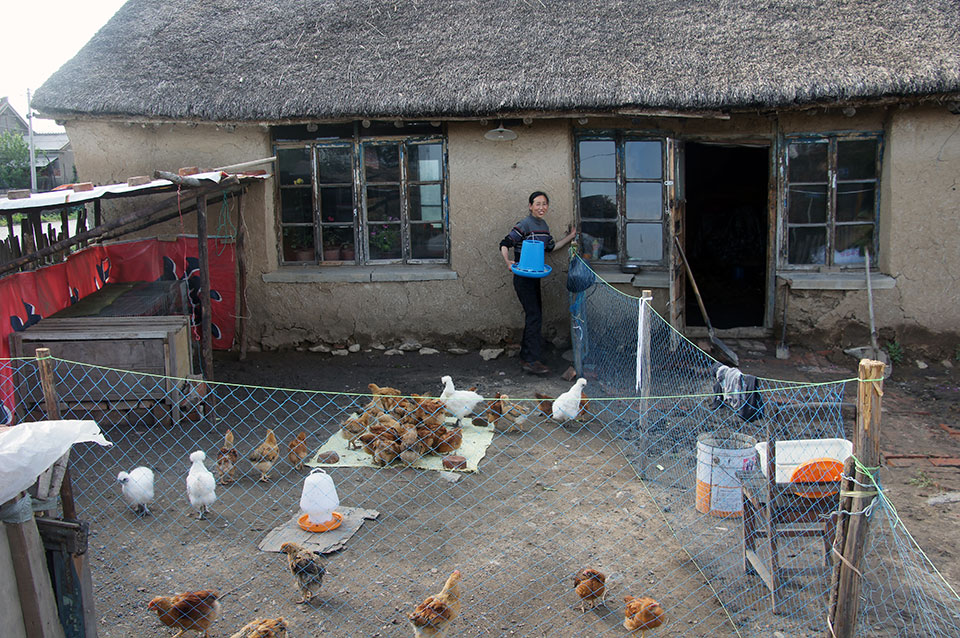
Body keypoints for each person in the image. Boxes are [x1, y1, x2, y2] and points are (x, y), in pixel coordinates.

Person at [500, 191, 576, 375]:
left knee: (535, 316)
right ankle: (530, 360)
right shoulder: (524, 224)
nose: (541, 207)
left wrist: (571, 236)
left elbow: (550, 247)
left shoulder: (544, 226)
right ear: (530, 206)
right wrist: (508, 262)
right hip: (523, 278)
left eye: (544, 204)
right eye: (537, 204)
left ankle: (527, 356)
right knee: (534, 316)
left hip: (534, 277)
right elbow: (505, 242)